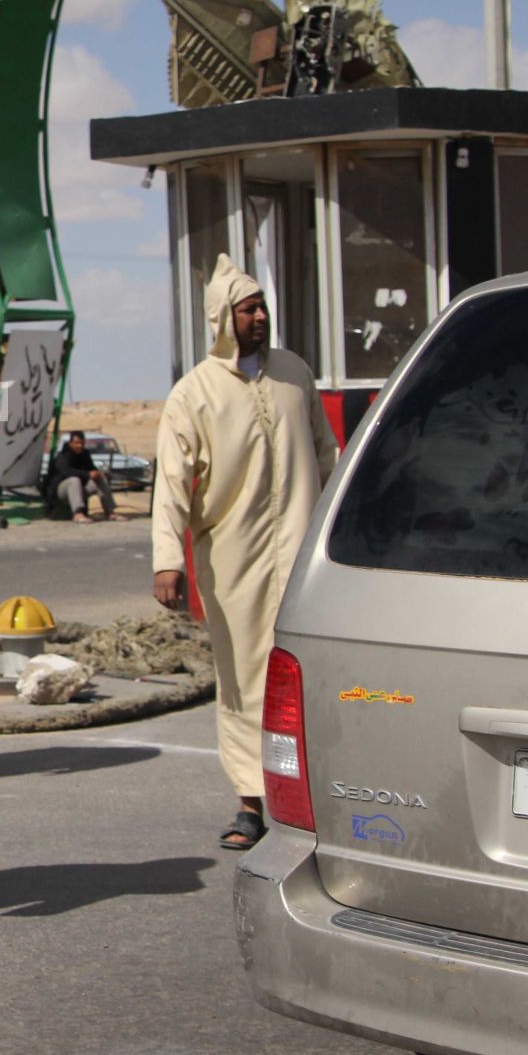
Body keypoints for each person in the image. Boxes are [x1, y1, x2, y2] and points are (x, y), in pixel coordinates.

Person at [152, 253, 336, 852]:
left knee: (311, 674)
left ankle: (317, 796)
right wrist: (167, 562)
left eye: (262, 306)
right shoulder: (194, 394)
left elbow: (327, 454)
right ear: (222, 319)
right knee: (244, 681)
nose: (261, 316)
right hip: (235, 563)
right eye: (248, 308)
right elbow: (172, 486)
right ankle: (251, 803)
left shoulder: (294, 373)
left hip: (306, 556)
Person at [45, 430, 118, 522]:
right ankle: (78, 513)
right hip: (62, 491)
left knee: (99, 479)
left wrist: (97, 473)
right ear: (71, 443)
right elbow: (66, 472)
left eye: (82, 443)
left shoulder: (85, 454)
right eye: (77, 443)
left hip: (79, 489)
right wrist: (87, 474)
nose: (79, 445)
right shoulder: (62, 456)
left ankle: (110, 512)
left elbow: (91, 468)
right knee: (74, 480)